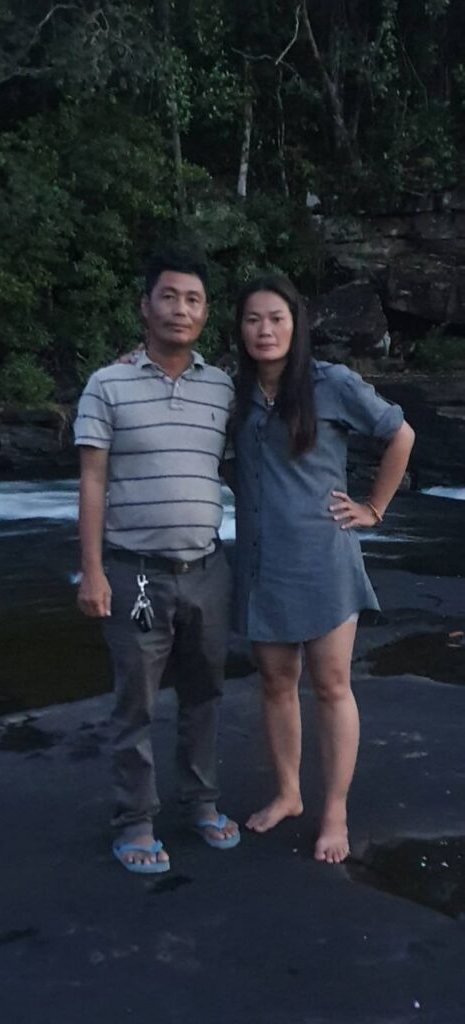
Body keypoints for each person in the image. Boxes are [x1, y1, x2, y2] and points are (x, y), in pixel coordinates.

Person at [230, 274, 415, 864]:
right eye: (253, 319)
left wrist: (374, 509)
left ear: (297, 324)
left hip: (323, 558)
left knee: (332, 685)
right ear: (240, 329)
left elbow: (401, 433)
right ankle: (288, 794)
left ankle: (334, 810)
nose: (265, 330)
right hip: (261, 562)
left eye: (276, 318)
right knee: (276, 683)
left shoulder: (330, 383)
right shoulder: (233, 392)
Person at [74, 242, 240, 874]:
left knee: (205, 693)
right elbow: (92, 481)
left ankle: (201, 802)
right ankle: (135, 821)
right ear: (145, 306)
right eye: (168, 296)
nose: (180, 309)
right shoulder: (107, 384)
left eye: (193, 299)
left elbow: (248, 461)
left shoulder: (221, 387)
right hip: (136, 574)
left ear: (206, 313)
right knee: (136, 702)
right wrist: (93, 571)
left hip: (208, 570)